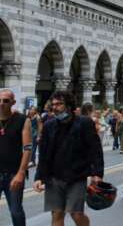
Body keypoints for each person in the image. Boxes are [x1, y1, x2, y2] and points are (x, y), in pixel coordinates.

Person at [33, 90, 104, 226]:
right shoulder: (49, 125)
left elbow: (95, 150)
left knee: (76, 214)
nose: (55, 107)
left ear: (69, 105)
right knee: (57, 214)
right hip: (54, 177)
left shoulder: (84, 123)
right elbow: (44, 154)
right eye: (53, 104)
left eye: (59, 104)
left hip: (77, 176)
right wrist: (38, 177)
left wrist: (97, 174)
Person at [0, 89, 31, 226]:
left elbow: (27, 149)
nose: (1, 103)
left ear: (13, 102)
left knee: (15, 210)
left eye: (6, 101)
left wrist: (21, 173)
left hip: (14, 173)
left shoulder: (22, 120)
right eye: (0, 100)